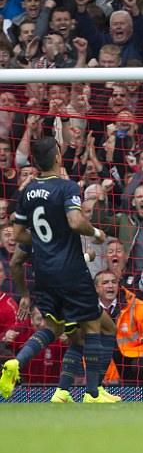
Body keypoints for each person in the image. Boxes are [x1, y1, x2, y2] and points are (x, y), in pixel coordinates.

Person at [1, 137, 116, 403]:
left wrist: (45, 244)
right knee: (95, 326)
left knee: (55, 326)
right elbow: (76, 221)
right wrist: (97, 233)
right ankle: (93, 393)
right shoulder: (66, 187)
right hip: (71, 272)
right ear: (57, 157)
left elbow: (18, 234)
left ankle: (19, 364)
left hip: (44, 273)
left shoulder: (26, 192)